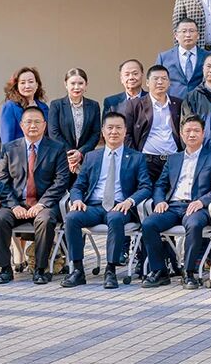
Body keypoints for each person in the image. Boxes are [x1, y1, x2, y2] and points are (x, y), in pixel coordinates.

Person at [60, 112, 147, 289]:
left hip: (120, 207)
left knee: (115, 218)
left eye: (118, 128)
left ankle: (111, 270)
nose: (114, 132)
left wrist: (130, 201)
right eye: (110, 128)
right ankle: (77, 270)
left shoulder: (137, 157)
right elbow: (78, 186)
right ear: (103, 131)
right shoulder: (92, 156)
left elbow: (145, 187)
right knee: (72, 218)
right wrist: (77, 200)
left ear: (125, 131)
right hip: (93, 206)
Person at [138, 117, 211, 289]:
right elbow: (160, 185)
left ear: (203, 134)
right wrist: (160, 201)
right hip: (172, 206)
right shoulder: (173, 159)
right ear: (182, 135)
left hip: (197, 208)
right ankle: (159, 271)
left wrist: (202, 201)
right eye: (188, 131)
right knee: (149, 224)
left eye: (196, 131)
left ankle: (189, 272)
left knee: (194, 224)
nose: (192, 134)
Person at [0, 107, 68, 285]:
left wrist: (42, 204)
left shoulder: (57, 148)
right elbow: (1, 181)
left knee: (45, 220)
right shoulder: (9, 148)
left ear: (44, 125)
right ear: (21, 125)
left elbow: (61, 181)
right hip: (16, 203)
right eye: (28, 122)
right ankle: (5, 269)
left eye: (37, 122)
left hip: (43, 204)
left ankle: (40, 269)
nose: (33, 125)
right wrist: (13, 205)